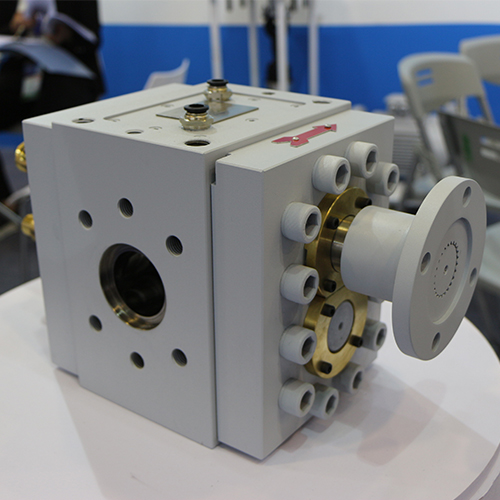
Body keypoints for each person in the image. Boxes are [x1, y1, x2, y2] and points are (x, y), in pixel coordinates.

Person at [0, 0, 104, 209]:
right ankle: (5, 205)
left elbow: (92, 37)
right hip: (21, 75)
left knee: (57, 124)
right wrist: (13, 26)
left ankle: (66, 205)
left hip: (68, 74)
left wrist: (67, 35)